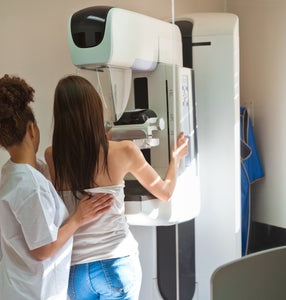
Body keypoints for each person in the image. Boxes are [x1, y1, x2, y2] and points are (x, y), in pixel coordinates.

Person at [0, 74, 113, 300]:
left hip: (17, 288)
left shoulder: (15, 171)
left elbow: (43, 178)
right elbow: (43, 249)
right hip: (33, 293)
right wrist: (78, 217)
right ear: (32, 129)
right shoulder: (30, 186)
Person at [45, 75, 189, 300]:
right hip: (116, 264)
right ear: (94, 112)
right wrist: (175, 159)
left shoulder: (52, 156)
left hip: (75, 273)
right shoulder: (123, 151)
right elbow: (165, 192)